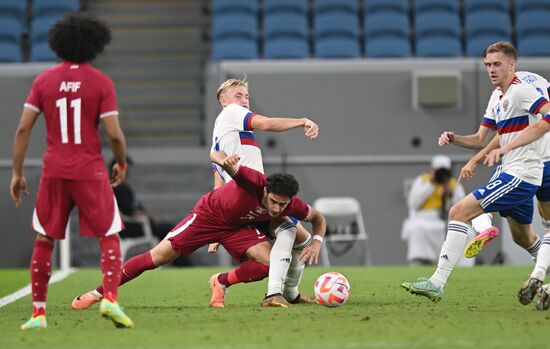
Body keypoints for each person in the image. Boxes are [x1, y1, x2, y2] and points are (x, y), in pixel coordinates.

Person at [70, 151, 327, 311]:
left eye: (283, 205)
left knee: (269, 263)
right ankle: (98, 293)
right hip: (207, 217)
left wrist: (316, 242)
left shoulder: (291, 204)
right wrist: (224, 160)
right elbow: (214, 155)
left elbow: (318, 218)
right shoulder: (251, 180)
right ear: (265, 191)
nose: (276, 208)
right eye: (273, 202)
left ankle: (221, 281)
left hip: (236, 228)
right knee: (155, 258)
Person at [10, 13, 133, 329]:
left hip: (54, 171)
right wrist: (120, 162)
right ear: (96, 45)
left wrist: (17, 172)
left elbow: (23, 129)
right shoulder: (101, 82)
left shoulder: (43, 81)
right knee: (109, 234)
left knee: (44, 238)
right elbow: (115, 134)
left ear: (58, 44)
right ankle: (110, 300)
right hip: (90, 170)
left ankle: (38, 314)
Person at [402, 41, 550, 303]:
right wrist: (454, 137)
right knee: (522, 237)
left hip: (521, 174)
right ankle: (541, 274)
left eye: (497, 64)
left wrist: (505, 149)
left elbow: (547, 118)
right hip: (512, 171)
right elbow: (481, 139)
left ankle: (437, 282)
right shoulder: (498, 96)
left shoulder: (522, 91)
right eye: (487, 65)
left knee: (459, 211)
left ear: (512, 65)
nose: (491, 70)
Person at [207, 78, 320, 308]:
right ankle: (275, 294)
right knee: (289, 232)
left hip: (245, 200)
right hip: (249, 199)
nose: (244, 100)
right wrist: (303, 121)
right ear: (223, 101)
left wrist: (215, 224)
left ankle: (282, 291)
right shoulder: (232, 113)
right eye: (238, 95)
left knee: (298, 242)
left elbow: (218, 184)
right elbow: (268, 124)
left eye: (246, 96)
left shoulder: (223, 138)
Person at [401, 155, 474, 266]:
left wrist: (450, 192)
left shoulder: (454, 184)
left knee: (468, 232)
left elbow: (462, 207)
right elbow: (413, 203)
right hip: (425, 220)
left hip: (447, 220)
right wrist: (431, 185)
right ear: (433, 170)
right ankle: (421, 263)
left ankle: (463, 267)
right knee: (416, 228)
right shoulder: (422, 180)